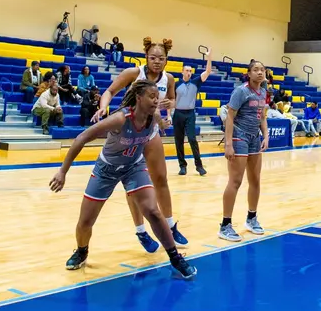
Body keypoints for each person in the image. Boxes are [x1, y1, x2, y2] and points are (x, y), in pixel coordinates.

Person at [48, 80, 196, 280]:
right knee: (85, 222)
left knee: (152, 211)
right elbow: (82, 137)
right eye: (151, 97)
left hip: (133, 167)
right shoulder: (120, 118)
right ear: (138, 98)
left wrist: (165, 121)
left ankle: (175, 258)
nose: (155, 100)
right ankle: (82, 251)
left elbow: (161, 124)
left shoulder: (152, 118)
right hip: (106, 169)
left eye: (157, 97)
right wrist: (62, 172)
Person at [94, 37, 188, 253]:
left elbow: (172, 100)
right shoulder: (133, 74)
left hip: (151, 130)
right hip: (129, 132)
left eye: (161, 58)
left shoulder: (169, 78)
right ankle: (141, 231)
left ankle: (171, 225)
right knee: (133, 187)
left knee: (161, 179)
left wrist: (169, 105)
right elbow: (109, 92)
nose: (157, 61)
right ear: (146, 56)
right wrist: (103, 108)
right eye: (153, 57)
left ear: (167, 60)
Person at [220, 59, 269, 242]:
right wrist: (228, 144)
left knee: (255, 180)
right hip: (239, 137)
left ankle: (251, 218)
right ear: (248, 73)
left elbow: (262, 116)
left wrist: (266, 135)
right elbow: (230, 117)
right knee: (235, 181)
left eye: (262, 70)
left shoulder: (263, 91)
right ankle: (225, 225)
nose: (259, 72)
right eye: (255, 69)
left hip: (255, 138)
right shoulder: (241, 91)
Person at [174, 48, 211, 176]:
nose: (189, 72)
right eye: (187, 70)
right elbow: (171, 99)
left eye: (190, 71)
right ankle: (182, 166)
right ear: (182, 72)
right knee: (178, 141)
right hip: (178, 114)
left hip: (190, 114)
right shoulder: (176, 84)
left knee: (192, 139)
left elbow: (207, 71)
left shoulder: (196, 82)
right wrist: (168, 114)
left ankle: (199, 166)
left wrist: (209, 57)